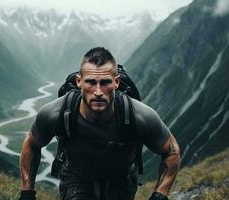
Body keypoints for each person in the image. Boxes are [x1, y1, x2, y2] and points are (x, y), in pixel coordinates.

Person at [19, 47, 180, 200]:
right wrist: (27, 192)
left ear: (116, 82)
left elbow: (171, 151)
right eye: (90, 82)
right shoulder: (56, 113)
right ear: (78, 81)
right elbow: (31, 144)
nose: (97, 92)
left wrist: (160, 194)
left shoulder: (139, 115)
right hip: (76, 179)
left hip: (121, 181)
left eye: (105, 82)